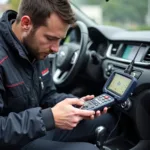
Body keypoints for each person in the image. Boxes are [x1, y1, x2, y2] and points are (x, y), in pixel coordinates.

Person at [0, 0, 117, 150]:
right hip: (11, 143)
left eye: (60, 40)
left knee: (107, 120)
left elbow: (47, 96)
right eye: (50, 38)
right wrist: (49, 118)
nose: (56, 49)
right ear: (26, 24)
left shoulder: (36, 50)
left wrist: (75, 105)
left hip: (35, 130)